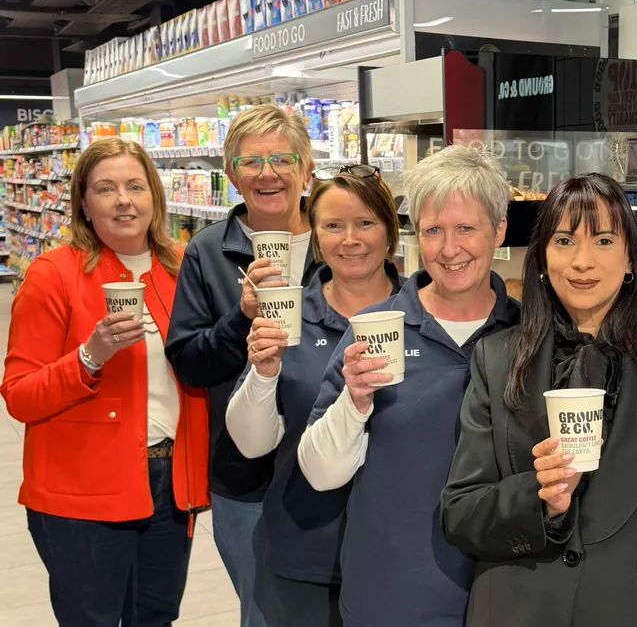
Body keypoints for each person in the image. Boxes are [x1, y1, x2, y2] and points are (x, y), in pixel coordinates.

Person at [440, 173, 637, 626]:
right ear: (543, 260)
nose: (582, 262)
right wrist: (538, 498)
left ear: (632, 257)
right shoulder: (497, 357)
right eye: (564, 241)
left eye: (604, 240)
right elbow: (461, 513)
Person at [298, 144, 520, 626]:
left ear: (499, 230)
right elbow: (320, 472)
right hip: (393, 599)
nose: (449, 248)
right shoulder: (376, 328)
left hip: (508, 595)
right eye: (434, 230)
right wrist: (353, 402)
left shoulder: (531, 334)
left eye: (466, 228)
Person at [1, 138, 209, 626]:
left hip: (170, 485)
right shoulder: (53, 275)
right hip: (83, 490)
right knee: (91, 618)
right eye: (106, 189)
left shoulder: (183, 267)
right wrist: (89, 356)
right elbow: (20, 395)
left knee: (155, 616)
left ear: (154, 195)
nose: (123, 200)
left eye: (135, 186)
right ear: (83, 202)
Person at [225, 165, 402, 627]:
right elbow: (252, 444)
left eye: (365, 222)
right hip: (305, 554)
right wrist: (263, 374)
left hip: (405, 557)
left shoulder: (423, 316)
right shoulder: (287, 314)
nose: (350, 239)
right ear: (315, 236)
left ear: (390, 231)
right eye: (332, 225)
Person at [165, 104, 320, 627]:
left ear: (307, 167)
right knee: (263, 611)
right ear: (230, 174)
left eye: (282, 158)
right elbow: (188, 361)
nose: (268, 173)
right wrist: (241, 318)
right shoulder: (208, 252)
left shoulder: (342, 241)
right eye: (251, 162)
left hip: (336, 462)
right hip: (245, 477)